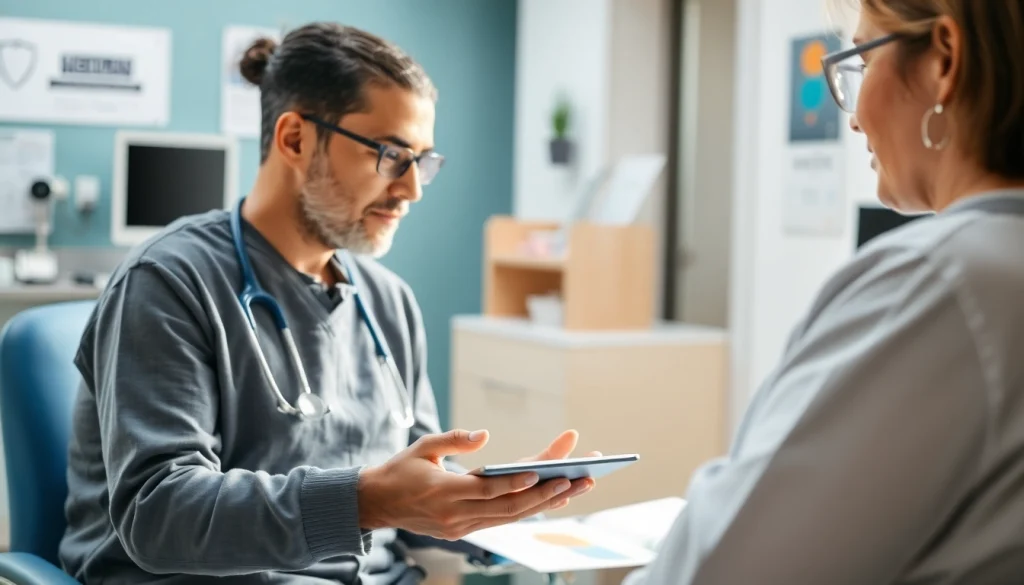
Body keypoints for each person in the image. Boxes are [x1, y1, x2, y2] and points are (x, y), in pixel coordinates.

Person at [58, 22, 595, 585]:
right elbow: (159, 514)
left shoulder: (388, 301)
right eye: (391, 155)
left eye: (424, 161)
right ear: (295, 139)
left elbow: (414, 485)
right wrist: (366, 502)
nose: (413, 189)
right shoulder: (169, 282)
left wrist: (494, 508)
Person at [624, 1, 1024, 584]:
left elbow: (722, 569)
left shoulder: (938, 284)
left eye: (860, 60)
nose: (855, 117)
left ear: (943, 59)